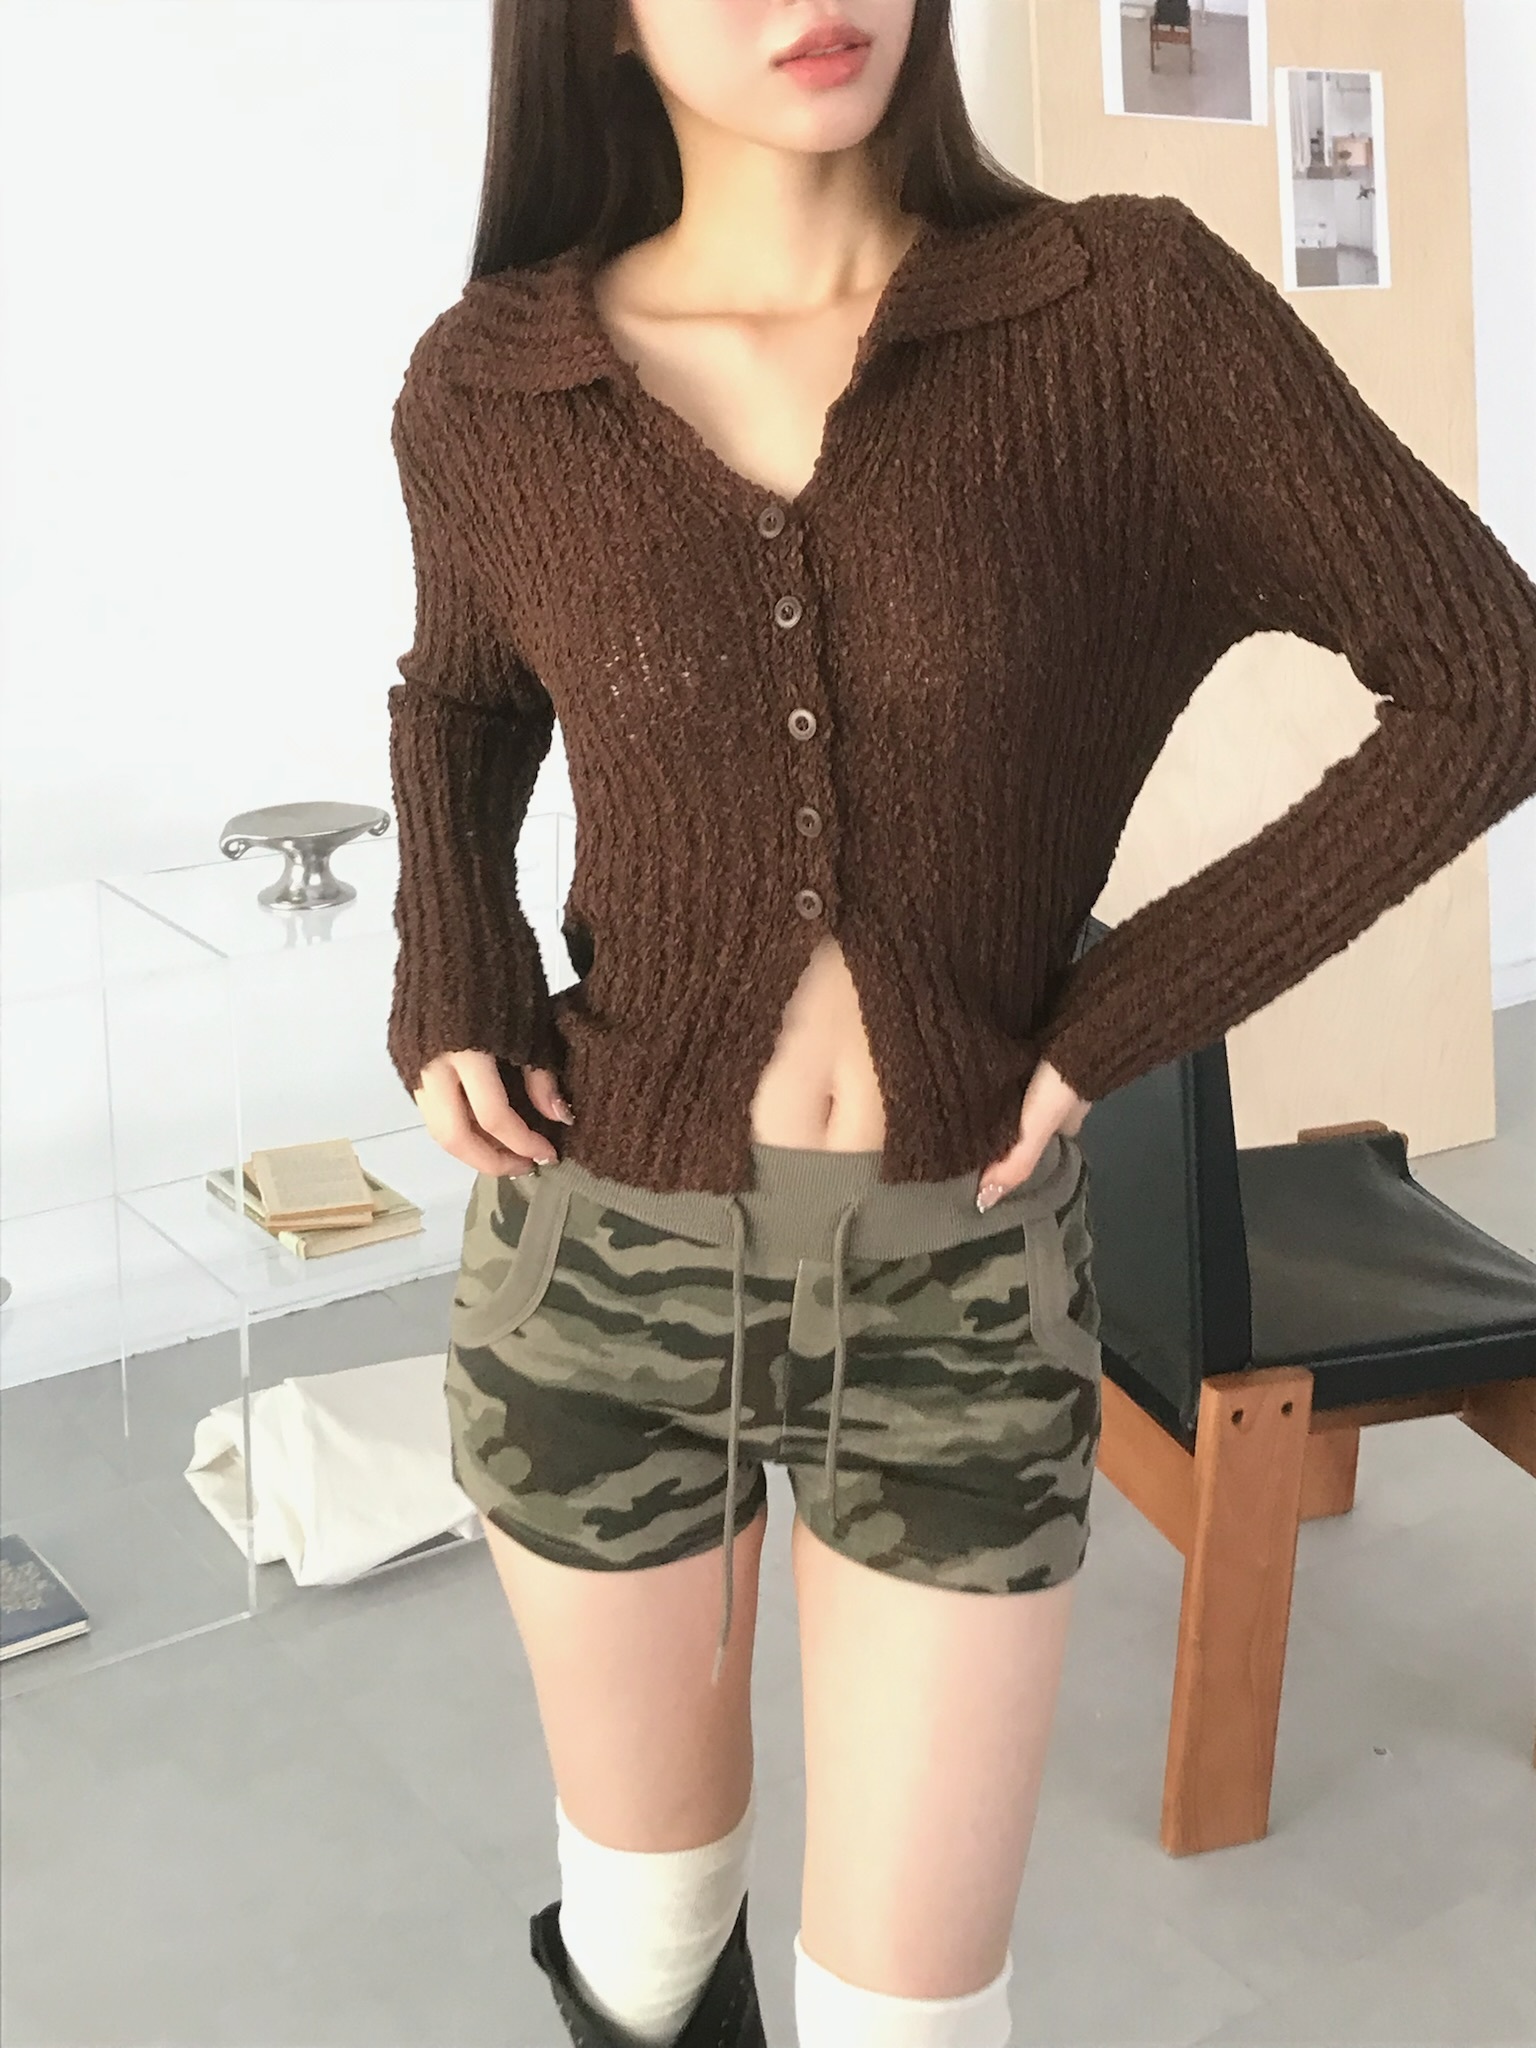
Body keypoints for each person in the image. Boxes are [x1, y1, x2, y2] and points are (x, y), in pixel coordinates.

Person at [382, 4, 1536, 2045]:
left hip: (962, 1286)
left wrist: (1119, 1012)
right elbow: (463, 696)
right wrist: (454, 953)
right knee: (649, 1946)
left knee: (907, 2014)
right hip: (596, 1268)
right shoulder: (496, 380)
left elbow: (1485, 681)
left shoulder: (1122, 315)